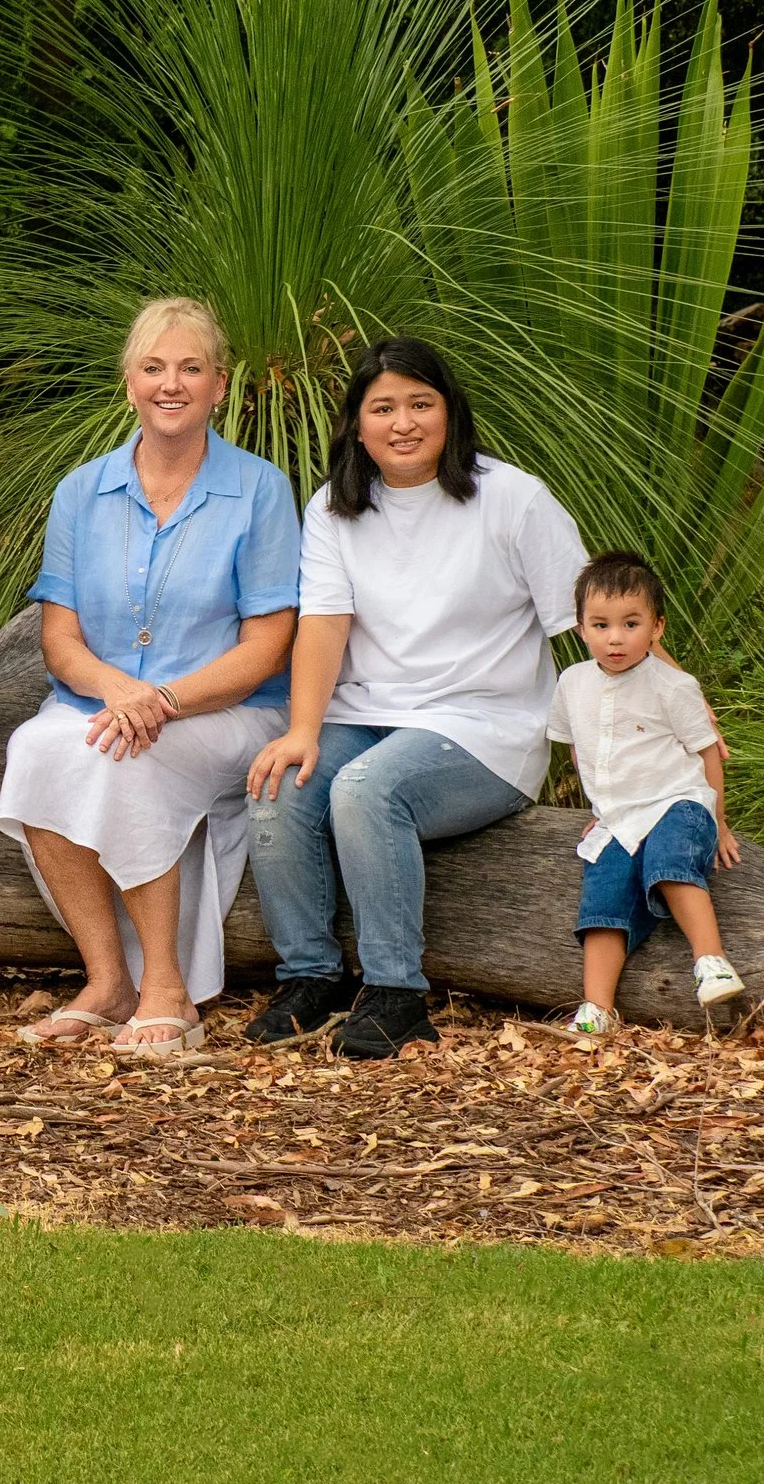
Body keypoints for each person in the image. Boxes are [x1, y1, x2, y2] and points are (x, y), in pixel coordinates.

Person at [244, 336, 590, 1059]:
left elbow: (590, 623)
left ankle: (397, 992)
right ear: (357, 424)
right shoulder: (335, 508)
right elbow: (324, 625)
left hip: (483, 727)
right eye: (383, 407)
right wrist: (303, 727)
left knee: (367, 790)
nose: (403, 423)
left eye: (420, 403)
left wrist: (671, 709)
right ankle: (311, 975)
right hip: (364, 715)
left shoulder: (512, 497)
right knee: (278, 783)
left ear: (449, 411)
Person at [0, 298, 299, 1055]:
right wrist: (119, 690)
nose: (172, 383)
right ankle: (107, 981)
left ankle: (168, 988)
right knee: (34, 748)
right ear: (129, 383)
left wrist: (161, 700)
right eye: (154, 368)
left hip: (227, 712)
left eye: (191, 368)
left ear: (219, 386)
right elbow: (59, 638)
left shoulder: (260, 490)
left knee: (132, 752)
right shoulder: (81, 491)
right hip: (103, 700)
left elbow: (267, 646)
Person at [549, 550, 746, 1042]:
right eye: (601, 625)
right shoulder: (573, 682)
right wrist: (602, 808)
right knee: (603, 895)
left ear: (656, 628)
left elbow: (707, 754)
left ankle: (711, 961)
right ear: (580, 628)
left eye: (631, 623)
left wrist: (716, 820)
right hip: (619, 815)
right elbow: (580, 748)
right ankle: (597, 1008)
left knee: (669, 858)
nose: (615, 638)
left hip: (677, 800)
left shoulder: (673, 685)